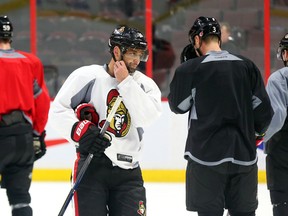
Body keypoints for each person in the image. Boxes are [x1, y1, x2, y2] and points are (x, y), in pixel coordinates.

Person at [49, 25, 162, 216]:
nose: (136, 60)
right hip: (92, 168)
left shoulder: (145, 84)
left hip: (129, 172)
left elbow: (147, 117)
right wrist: (81, 131)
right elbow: (58, 111)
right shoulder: (87, 76)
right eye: (132, 53)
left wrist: (125, 82)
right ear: (116, 51)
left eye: (139, 54)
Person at [168, 16, 273, 216]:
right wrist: (256, 136)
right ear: (218, 38)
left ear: (198, 39)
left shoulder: (190, 69)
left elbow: (178, 106)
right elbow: (264, 112)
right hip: (244, 157)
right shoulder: (247, 66)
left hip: (204, 158)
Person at [0, 15, 50, 216]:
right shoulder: (30, 62)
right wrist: (37, 135)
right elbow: (42, 101)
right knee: (20, 201)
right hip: (23, 138)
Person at [264, 33, 288, 216]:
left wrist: (258, 137)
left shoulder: (278, 78)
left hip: (282, 154)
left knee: (283, 206)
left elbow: (277, 117)